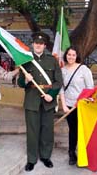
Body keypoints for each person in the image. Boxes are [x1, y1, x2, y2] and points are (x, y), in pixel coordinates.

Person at [18, 32, 63, 172]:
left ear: (44, 45)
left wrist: (52, 94)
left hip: (48, 100)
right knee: (32, 131)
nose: (38, 45)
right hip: (32, 100)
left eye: (41, 43)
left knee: (47, 130)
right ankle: (31, 159)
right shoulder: (26, 61)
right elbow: (20, 83)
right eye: (36, 43)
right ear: (33, 44)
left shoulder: (52, 60)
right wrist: (25, 80)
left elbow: (58, 81)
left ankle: (45, 156)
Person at [59, 46, 94, 165]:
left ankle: (84, 152)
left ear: (77, 56)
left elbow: (90, 88)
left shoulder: (84, 69)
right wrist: (64, 106)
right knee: (73, 130)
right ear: (66, 56)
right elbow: (61, 90)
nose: (71, 57)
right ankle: (71, 152)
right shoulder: (62, 70)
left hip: (83, 105)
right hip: (69, 105)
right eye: (69, 54)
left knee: (83, 130)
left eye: (73, 55)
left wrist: (84, 100)